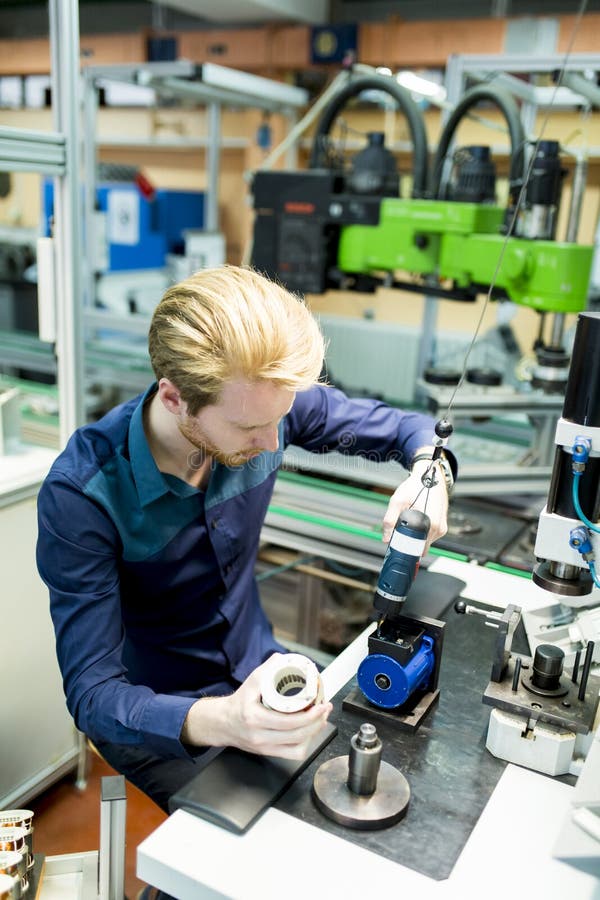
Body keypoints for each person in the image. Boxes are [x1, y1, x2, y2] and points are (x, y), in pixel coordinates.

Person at [36, 265, 456, 814]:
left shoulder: (263, 404)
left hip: (259, 666)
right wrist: (227, 721)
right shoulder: (82, 495)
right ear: (173, 397)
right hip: (160, 712)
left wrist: (432, 477)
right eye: (248, 429)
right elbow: (93, 697)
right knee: (238, 852)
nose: (270, 441)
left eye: (279, 420)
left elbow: (408, 430)